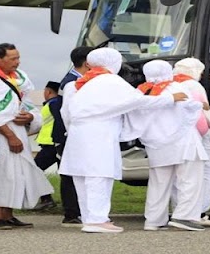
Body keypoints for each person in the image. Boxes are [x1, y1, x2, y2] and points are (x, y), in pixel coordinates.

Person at [59, 48, 187, 233]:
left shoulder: (77, 84)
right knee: (99, 175)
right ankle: (97, 220)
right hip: (99, 133)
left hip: (77, 134)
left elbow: (65, 113)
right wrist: (169, 98)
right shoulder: (111, 81)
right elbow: (137, 101)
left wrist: (74, 131)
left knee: (81, 175)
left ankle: (89, 218)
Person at [0, 43, 54, 229]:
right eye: (13, 59)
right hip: (1, 134)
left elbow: (25, 105)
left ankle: (9, 215)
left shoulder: (19, 79)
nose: (17, 62)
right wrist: (10, 136)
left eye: (18, 58)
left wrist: (30, 116)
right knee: (3, 173)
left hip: (19, 130)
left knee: (18, 174)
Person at [131, 60, 207, 232]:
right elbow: (190, 110)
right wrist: (202, 105)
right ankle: (185, 216)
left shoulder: (141, 91)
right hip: (183, 142)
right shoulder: (175, 88)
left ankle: (153, 220)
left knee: (158, 183)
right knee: (190, 180)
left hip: (156, 145)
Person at [172, 58, 210, 227]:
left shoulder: (171, 85)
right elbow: (203, 110)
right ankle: (198, 211)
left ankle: (179, 209)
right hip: (198, 136)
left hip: (176, 136)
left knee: (178, 176)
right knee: (205, 173)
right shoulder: (194, 85)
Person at [54, 46, 92, 227]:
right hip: (66, 133)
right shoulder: (70, 82)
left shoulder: (81, 80)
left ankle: (80, 211)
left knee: (80, 171)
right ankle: (71, 213)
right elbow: (64, 112)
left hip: (73, 133)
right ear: (87, 63)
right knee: (69, 173)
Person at [32, 81, 62, 211]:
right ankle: (68, 204)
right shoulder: (55, 103)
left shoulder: (54, 104)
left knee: (34, 170)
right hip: (54, 143)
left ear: (48, 91)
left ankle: (46, 199)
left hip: (51, 144)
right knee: (66, 175)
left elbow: (59, 121)